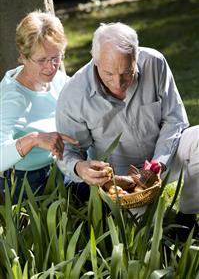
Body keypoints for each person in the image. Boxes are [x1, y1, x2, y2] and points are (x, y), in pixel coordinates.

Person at [56, 22, 199, 239]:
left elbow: (175, 120)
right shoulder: (74, 95)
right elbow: (67, 151)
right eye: (109, 73)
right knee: (145, 239)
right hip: (123, 184)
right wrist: (80, 168)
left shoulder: (154, 63)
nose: (118, 82)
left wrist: (157, 164)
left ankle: (188, 220)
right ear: (95, 59)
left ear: (136, 57)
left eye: (126, 72)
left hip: (164, 159)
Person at [0, 11, 78, 203]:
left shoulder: (59, 80)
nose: (51, 67)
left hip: (59, 167)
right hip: (25, 181)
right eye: (42, 60)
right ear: (23, 57)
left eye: (56, 57)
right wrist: (34, 139)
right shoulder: (13, 97)